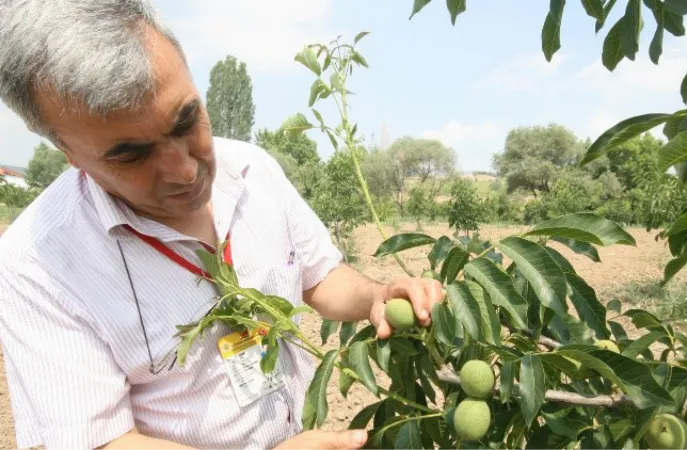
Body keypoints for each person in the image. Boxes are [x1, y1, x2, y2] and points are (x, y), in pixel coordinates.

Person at [0, 1, 444, 449]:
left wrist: (376, 296)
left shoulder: (253, 169)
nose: (185, 171)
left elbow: (320, 277)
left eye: (187, 119)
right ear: (68, 152)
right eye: (131, 155)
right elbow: (101, 442)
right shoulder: (36, 265)